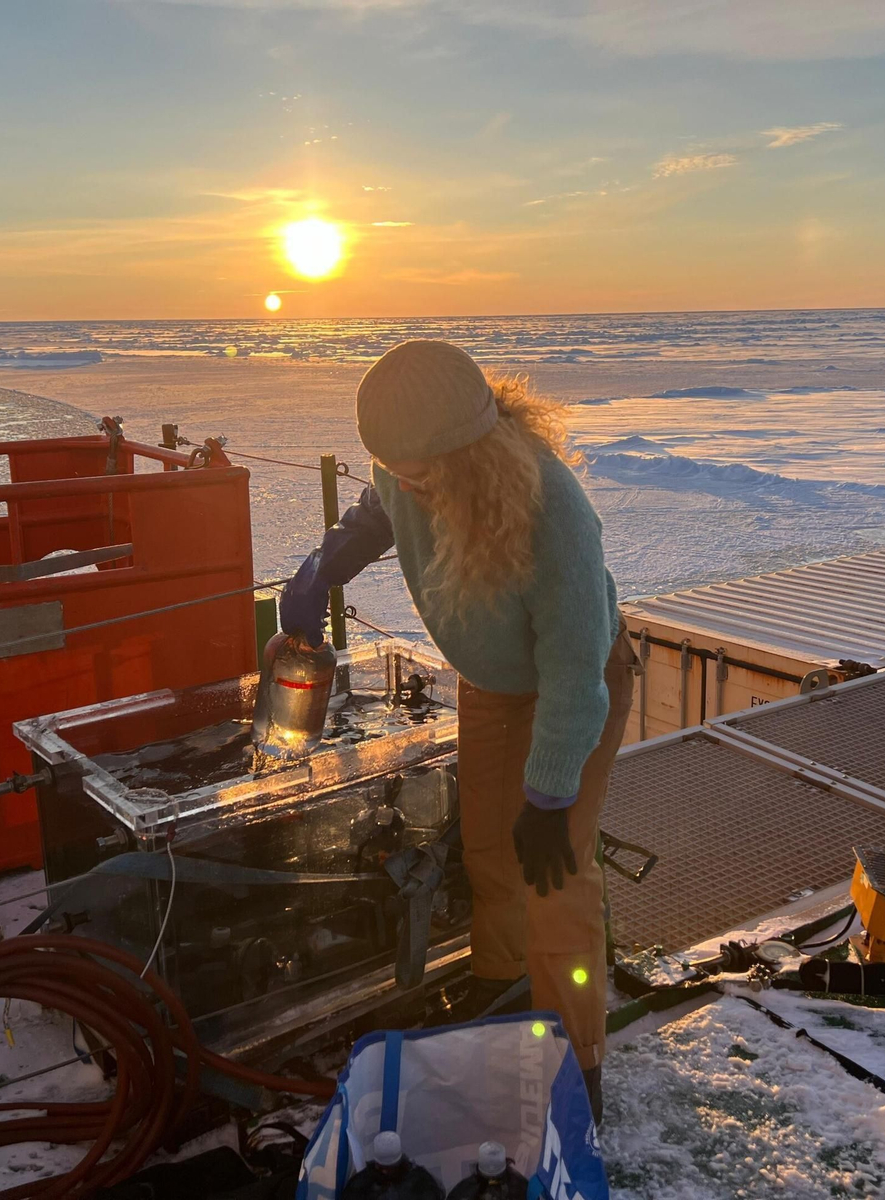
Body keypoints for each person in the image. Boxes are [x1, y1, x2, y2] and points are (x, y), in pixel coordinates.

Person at [279, 339, 635, 1121]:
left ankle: (579, 1068)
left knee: (556, 877)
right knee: (488, 852)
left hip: (574, 690)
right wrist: (323, 565)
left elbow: (576, 678)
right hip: (493, 683)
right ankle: (503, 985)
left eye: (418, 475)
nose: (406, 486)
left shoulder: (554, 515)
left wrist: (549, 797)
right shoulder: (410, 464)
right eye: (395, 469)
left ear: (469, 451)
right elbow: (379, 507)